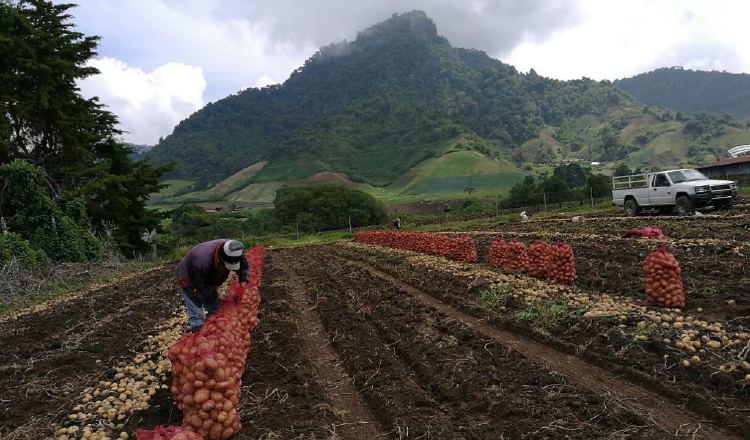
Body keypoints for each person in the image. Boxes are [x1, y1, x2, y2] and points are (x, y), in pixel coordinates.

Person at [177, 239, 249, 332]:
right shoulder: (202, 260)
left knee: (214, 309)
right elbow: (202, 285)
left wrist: (243, 283)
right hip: (190, 275)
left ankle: (213, 322)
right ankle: (197, 327)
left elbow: (243, 266)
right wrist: (216, 295)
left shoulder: (235, 250)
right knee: (195, 303)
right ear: (221, 258)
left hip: (207, 274)